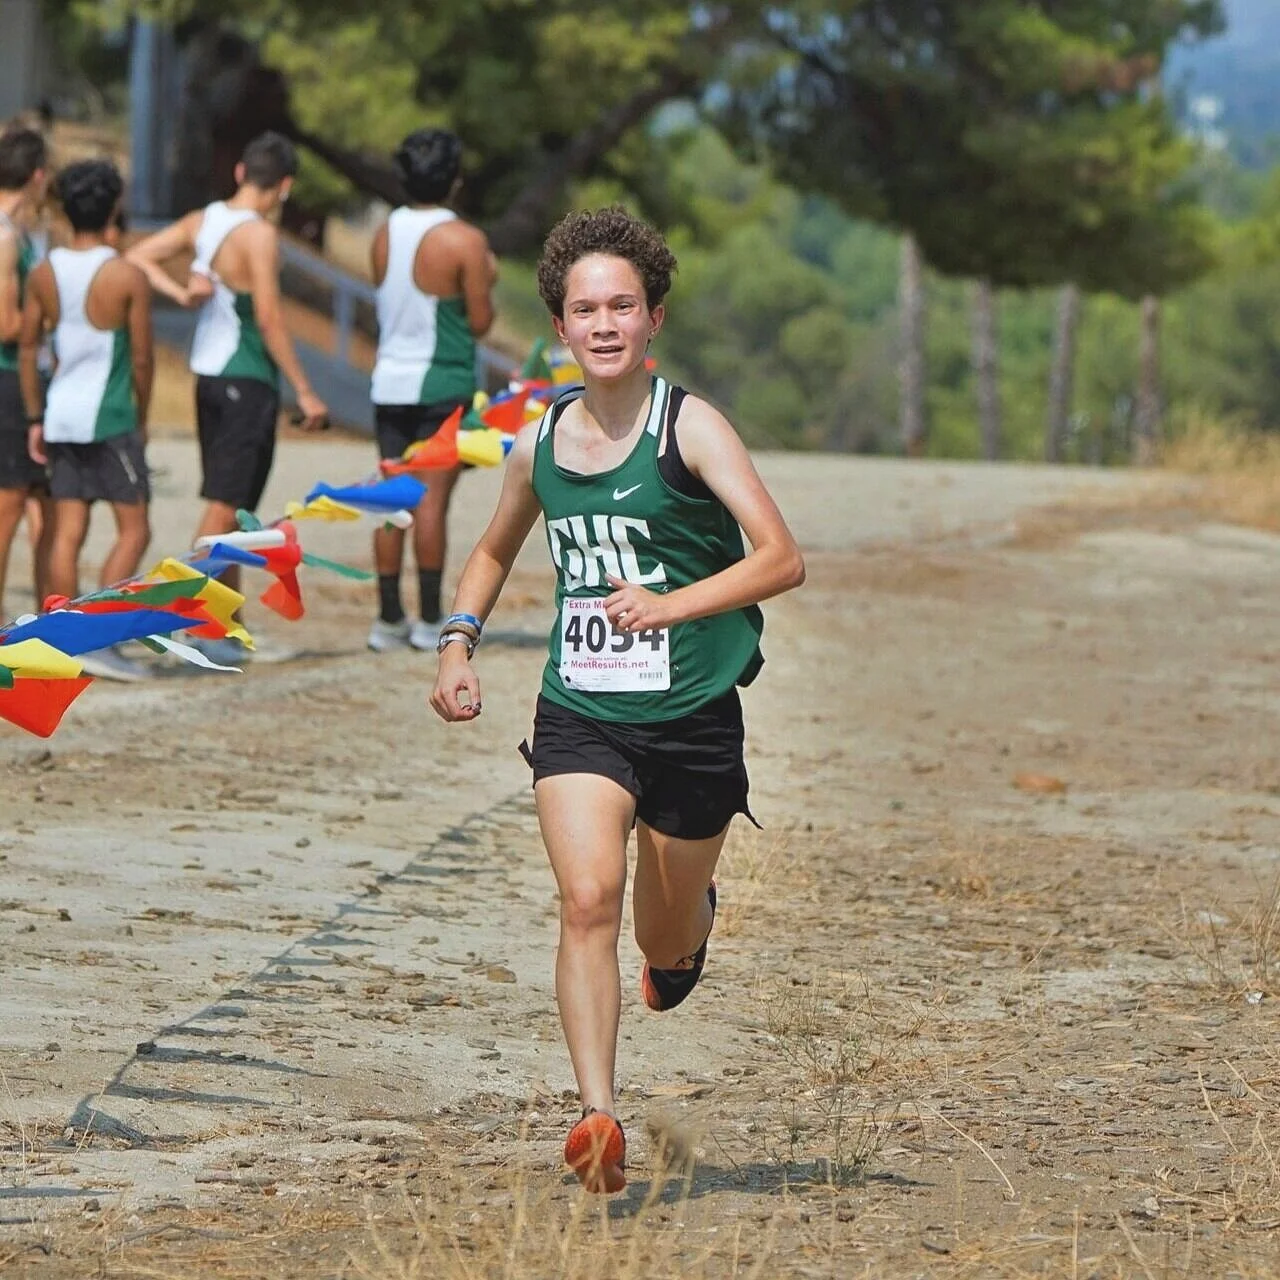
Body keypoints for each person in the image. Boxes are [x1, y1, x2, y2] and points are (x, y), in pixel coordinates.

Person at [430, 207, 805, 1193]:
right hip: (582, 709)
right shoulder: (538, 444)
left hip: (692, 714)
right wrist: (457, 643)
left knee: (659, 936)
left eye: (622, 307)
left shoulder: (692, 427)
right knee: (587, 899)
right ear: (559, 326)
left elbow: (781, 558)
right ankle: (597, 1115)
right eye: (585, 309)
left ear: (653, 319)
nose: (604, 324)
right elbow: (492, 551)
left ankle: (688, 931)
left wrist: (669, 604)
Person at [127, 131, 327, 661]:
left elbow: (139, 256)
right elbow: (268, 318)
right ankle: (184, 619)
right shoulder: (259, 235)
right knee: (223, 510)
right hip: (247, 375)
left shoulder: (203, 219)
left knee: (234, 507)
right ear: (284, 186)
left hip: (209, 378)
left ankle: (226, 625)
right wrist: (306, 391)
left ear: (240, 172)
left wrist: (179, 292)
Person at [19, 160, 154, 682]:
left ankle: (64, 639)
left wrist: (36, 415)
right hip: (111, 414)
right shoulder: (126, 274)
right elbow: (141, 358)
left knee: (66, 532)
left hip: (61, 414)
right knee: (134, 530)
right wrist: (141, 415)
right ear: (114, 208)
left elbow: (29, 347)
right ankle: (100, 639)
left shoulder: (44, 272)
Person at [367, 128, 496, 653]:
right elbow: (481, 322)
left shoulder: (383, 233)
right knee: (431, 503)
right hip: (442, 380)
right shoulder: (464, 240)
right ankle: (427, 618)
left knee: (392, 498)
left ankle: (387, 617)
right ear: (455, 180)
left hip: (388, 381)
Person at [0, 126, 52, 621]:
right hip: (9, 380)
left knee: (44, 501)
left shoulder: (17, 232)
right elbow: (6, 325)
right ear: (37, 176)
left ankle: (48, 621)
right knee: (9, 504)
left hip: (24, 379)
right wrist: (55, 318)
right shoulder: (5, 237)